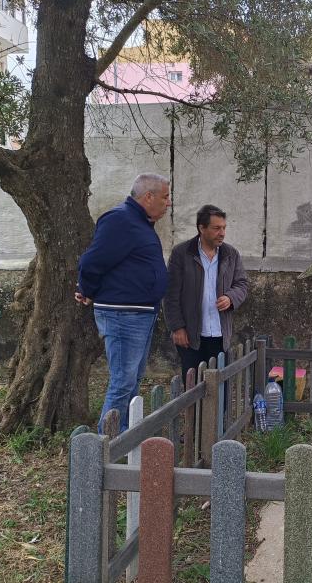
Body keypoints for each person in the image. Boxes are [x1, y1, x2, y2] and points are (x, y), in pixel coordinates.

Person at [76, 173, 171, 432]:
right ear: (148, 196)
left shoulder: (138, 222)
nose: (168, 203)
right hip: (123, 314)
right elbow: (91, 262)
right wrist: (87, 289)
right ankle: (106, 449)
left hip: (139, 313)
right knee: (122, 382)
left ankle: (123, 439)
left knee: (132, 381)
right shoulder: (120, 219)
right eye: (165, 197)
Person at [163, 204, 248, 384]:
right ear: (202, 228)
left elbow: (242, 284)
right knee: (193, 386)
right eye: (216, 228)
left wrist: (231, 297)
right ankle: (193, 414)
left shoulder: (230, 254)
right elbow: (170, 294)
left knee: (219, 386)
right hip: (191, 335)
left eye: (224, 228)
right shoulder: (182, 253)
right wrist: (177, 327)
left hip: (219, 333)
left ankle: (219, 414)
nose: (222, 233)